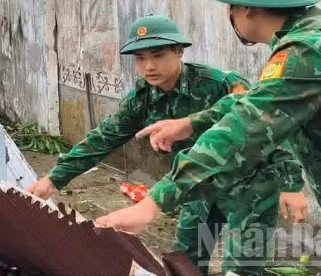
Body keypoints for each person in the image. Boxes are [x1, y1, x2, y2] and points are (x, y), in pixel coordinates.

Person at [96, 0, 321, 275]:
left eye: (229, 7)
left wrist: (153, 204)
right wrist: (191, 123)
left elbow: (246, 127)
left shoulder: (310, 53)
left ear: (245, 8)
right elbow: (256, 102)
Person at [27, 14, 306, 276]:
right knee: (185, 262)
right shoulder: (142, 99)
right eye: (140, 58)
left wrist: (292, 184)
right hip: (197, 188)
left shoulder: (220, 85)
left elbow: (271, 125)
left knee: (243, 268)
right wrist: (53, 179)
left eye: (158, 55)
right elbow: (102, 138)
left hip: (250, 186)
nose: (149, 66)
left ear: (179, 52)